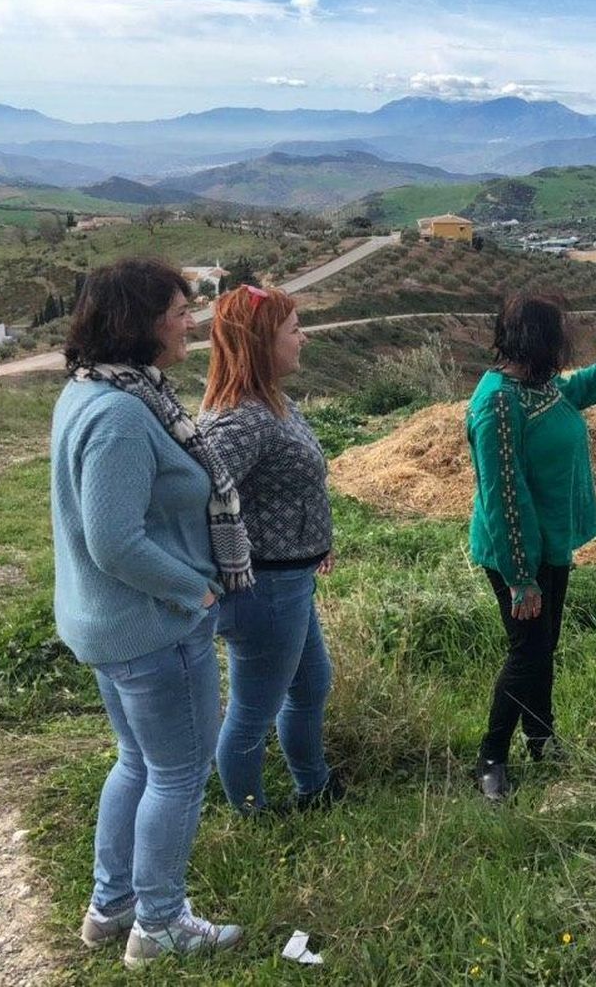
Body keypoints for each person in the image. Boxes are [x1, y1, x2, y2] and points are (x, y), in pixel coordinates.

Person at [50, 258, 243, 968]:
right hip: (153, 626)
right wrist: (196, 588)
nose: (187, 321)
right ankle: (159, 923)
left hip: (113, 625)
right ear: (140, 324)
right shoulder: (124, 414)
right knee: (179, 772)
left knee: (138, 760)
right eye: (176, 311)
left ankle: (112, 905)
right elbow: (114, 538)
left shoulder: (93, 391)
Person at [467, 295, 596, 801]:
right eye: (556, 336)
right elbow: (504, 497)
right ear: (538, 342)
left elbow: (578, 388)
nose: (562, 346)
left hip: (550, 544)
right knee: (528, 652)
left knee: (543, 645)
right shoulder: (497, 403)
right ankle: (491, 756)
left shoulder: (538, 386)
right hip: (518, 553)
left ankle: (540, 737)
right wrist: (521, 575)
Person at [199, 284, 341, 815]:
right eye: (293, 330)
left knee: (309, 687)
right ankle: (253, 814)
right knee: (253, 711)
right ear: (262, 342)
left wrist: (314, 543)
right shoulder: (242, 419)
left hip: (290, 579)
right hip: (264, 588)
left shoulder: (271, 403)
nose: (303, 338)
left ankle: (315, 787)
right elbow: (195, 500)